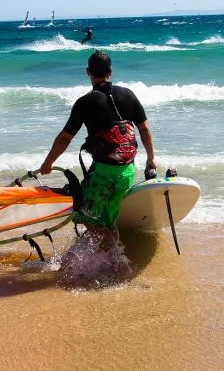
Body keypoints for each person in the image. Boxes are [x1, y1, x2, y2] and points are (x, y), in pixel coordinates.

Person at [38, 50, 156, 234]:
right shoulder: (129, 95)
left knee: (87, 216)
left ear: (88, 72)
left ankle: (116, 258)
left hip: (103, 175)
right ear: (110, 71)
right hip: (127, 172)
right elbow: (144, 130)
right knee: (108, 221)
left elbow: (65, 138)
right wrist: (151, 159)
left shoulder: (85, 102)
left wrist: (48, 163)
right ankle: (109, 255)